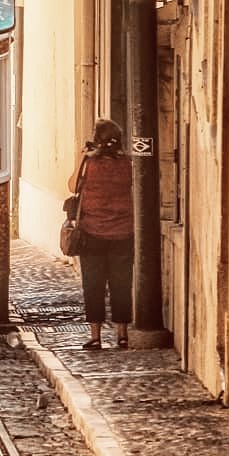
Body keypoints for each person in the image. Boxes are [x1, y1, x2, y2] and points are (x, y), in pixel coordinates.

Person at [67, 117, 134, 350]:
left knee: (93, 285)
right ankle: (122, 335)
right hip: (123, 232)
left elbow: (72, 186)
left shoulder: (89, 164)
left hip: (92, 233)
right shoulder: (127, 164)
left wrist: (81, 157)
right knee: (121, 284)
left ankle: (95, 337)